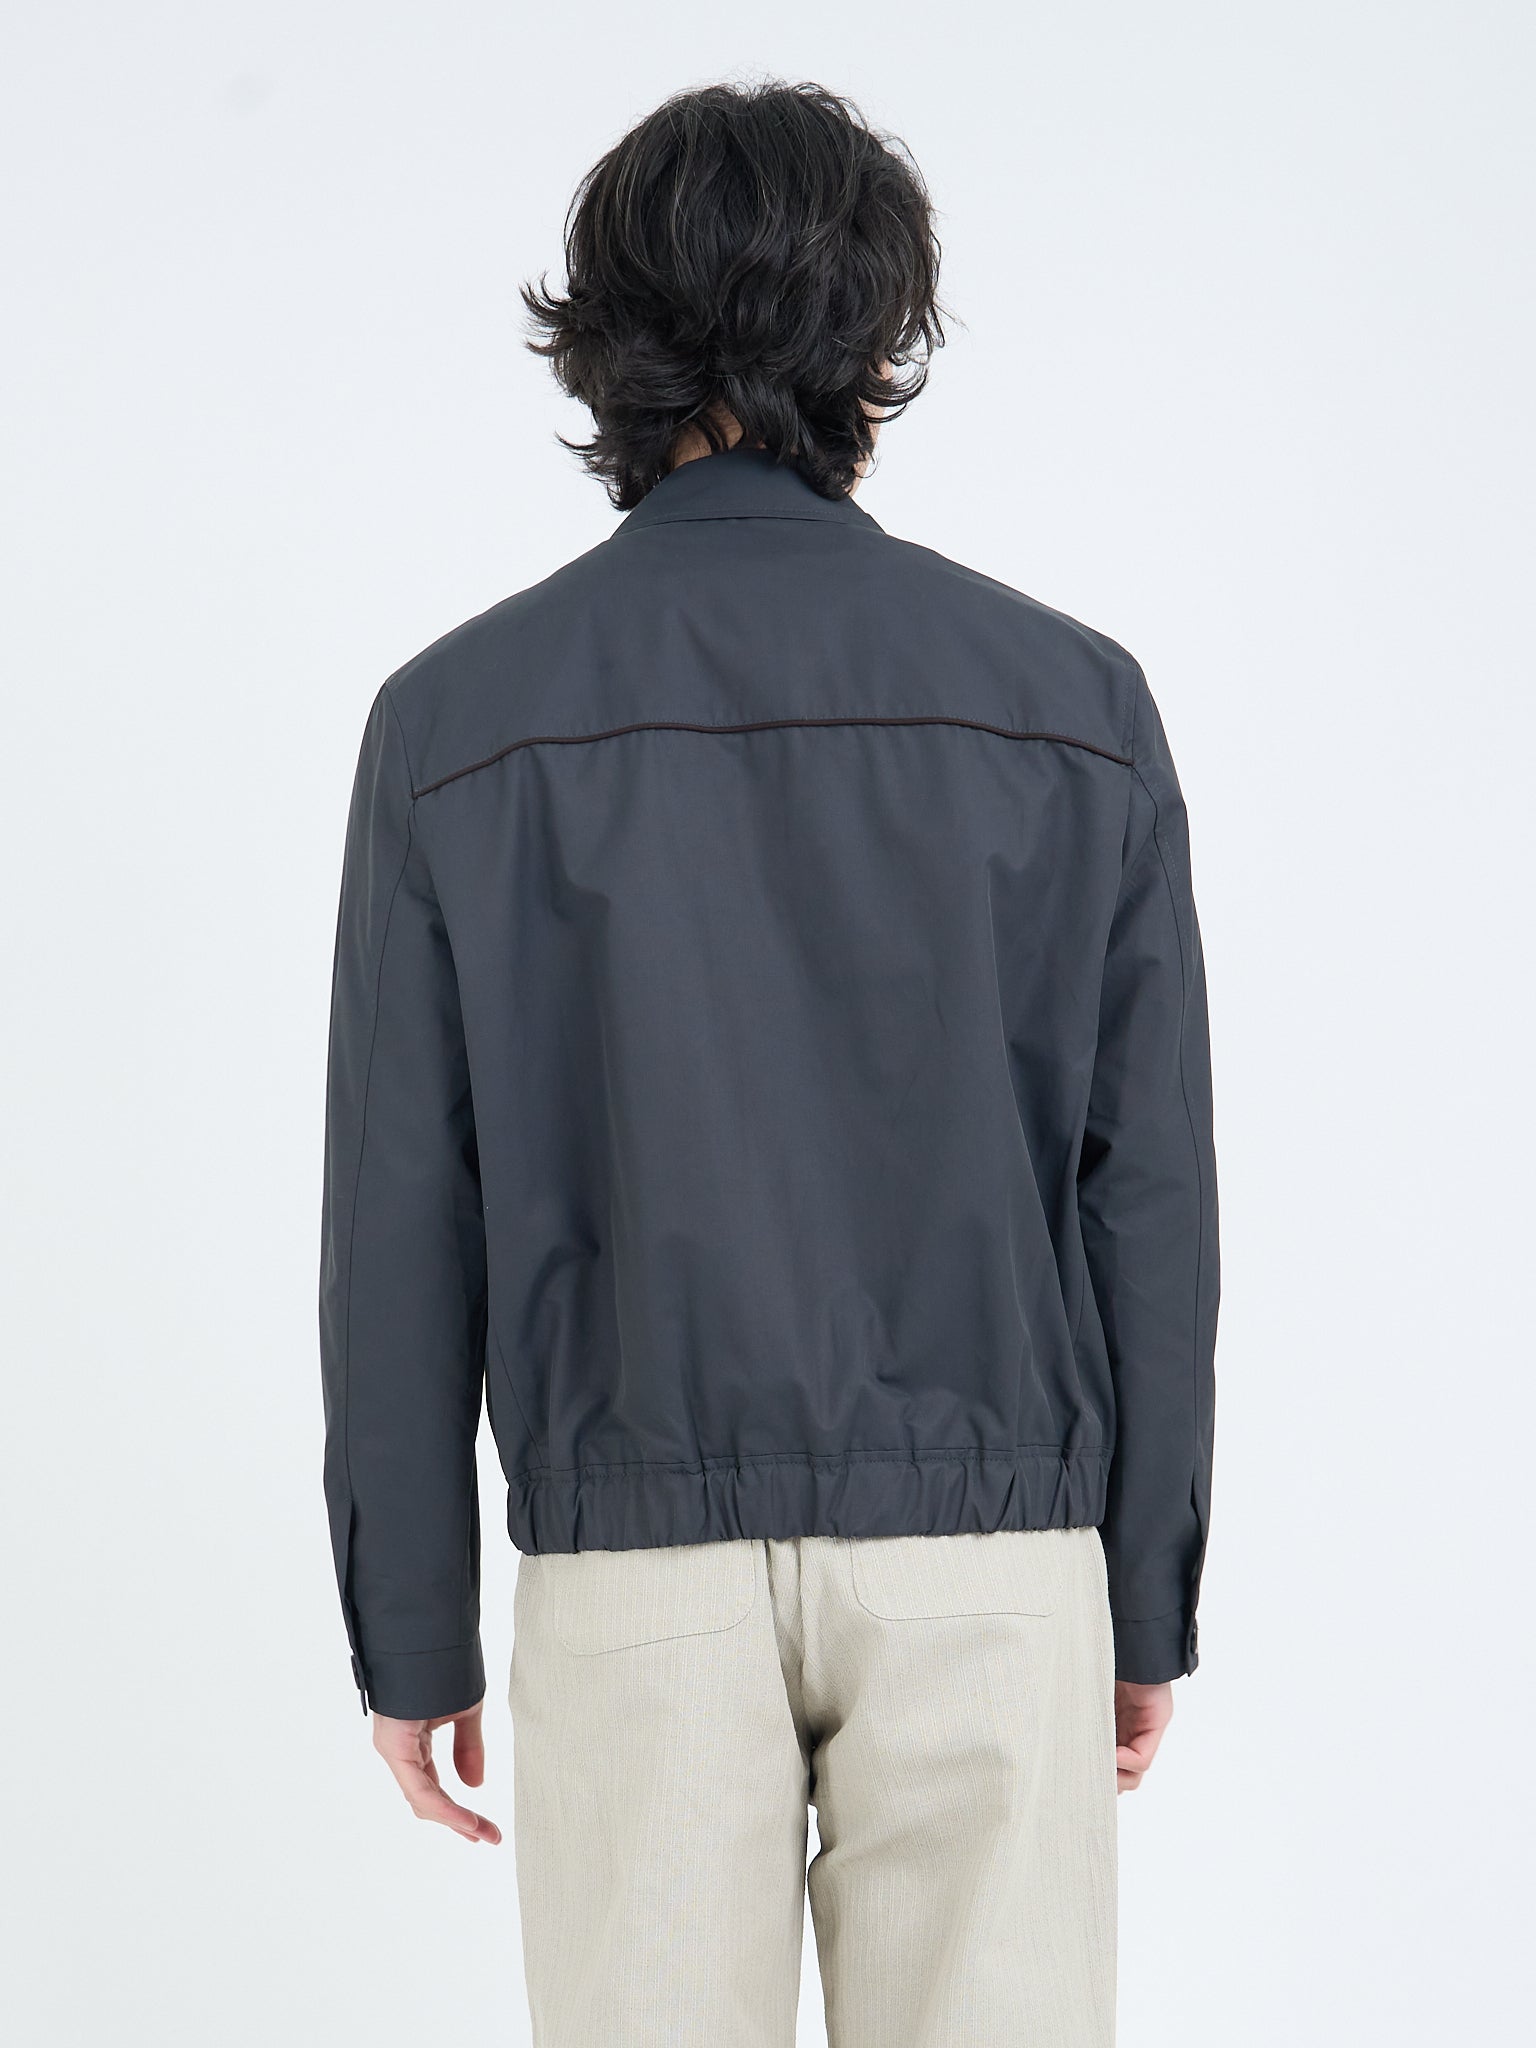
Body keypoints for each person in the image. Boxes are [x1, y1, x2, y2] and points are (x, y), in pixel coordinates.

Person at [319, 78, 1218, 2048]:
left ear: (607, 340)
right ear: (877, 341)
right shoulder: (1072, 706)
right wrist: (1143, 1593)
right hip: (991, 1554)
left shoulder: (457, 722)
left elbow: (401, 1206)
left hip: (632, 1566)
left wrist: (412, 1629)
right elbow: (1144, 1187)